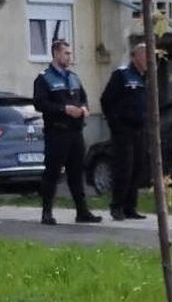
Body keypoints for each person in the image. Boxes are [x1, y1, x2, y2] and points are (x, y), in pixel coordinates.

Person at [33, 40, 102, 225]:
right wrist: (64, 109)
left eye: (70, 53)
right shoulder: (44, 78)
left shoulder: (73, 77)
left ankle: (82, 211)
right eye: (66, 53)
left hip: (75, 131)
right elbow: (40, 103)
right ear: (55, 54)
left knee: (76, 172)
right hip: (57, 132)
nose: (69, 57)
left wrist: (84, 109)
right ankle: (47, 212)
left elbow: (84, 99)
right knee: (52, 173)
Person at [100, 43, 149, 221]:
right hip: (123, 129)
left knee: (137, 168)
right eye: (144, 56)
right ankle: (117, 206)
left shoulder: (145, 77)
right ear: (135, 57)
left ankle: (130, 207)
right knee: (124, 168)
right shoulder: (122, 75)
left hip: (139, 129)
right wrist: (115, 124)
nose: (147, 60)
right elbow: (106, 100)